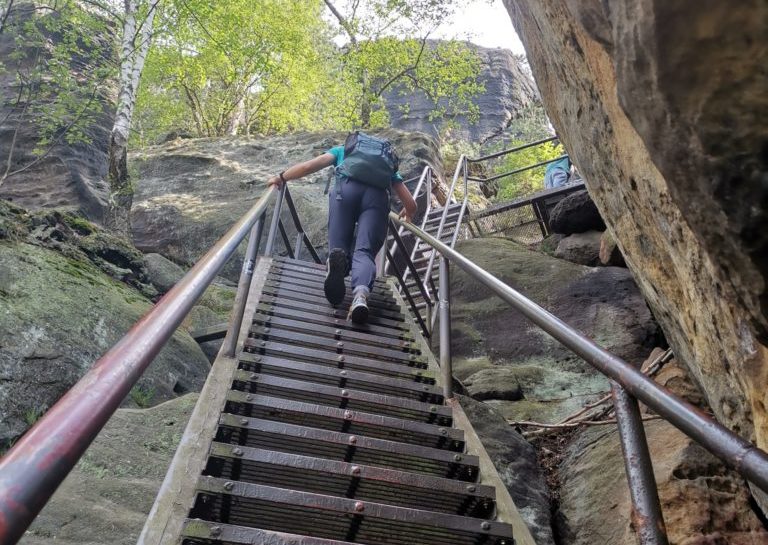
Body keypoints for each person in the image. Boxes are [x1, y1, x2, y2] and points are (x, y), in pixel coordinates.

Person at [267, 133, 418, 325]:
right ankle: (360, 297)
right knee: (364, 252)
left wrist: (281, 177)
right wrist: (409, 213)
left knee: (338, 245)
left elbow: (308, 166)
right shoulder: (385, 166)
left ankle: (338, 261)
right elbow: (411, 203)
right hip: (377, 198)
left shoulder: (343, 151)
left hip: (345, 192)